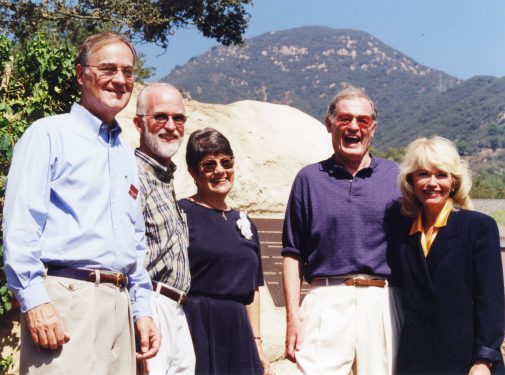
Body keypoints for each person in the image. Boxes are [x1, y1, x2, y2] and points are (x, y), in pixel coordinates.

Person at [2, 32, 160, 374]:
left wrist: (141, 309)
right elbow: (21, 225)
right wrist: (35, 301)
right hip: (68, 301)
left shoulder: (124, 155)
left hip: (120, 306)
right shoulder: (48, 135)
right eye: (108, 69)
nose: (120, 80)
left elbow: (135, 244)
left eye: (128, 72)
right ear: (80, 74)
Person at [282, 85, 403, 375]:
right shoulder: (308, 179)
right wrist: (293, 317)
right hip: (326, 300)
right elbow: (292, 253)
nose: (353, 127)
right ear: (329, 124)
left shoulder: (397, 177)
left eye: (362, 121)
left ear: (373, 128)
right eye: (344, 118)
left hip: (382, 300)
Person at [395, 136, 505, 375]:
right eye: (423, 174)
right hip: (417, 362)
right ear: (411, 181)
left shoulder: (478, 227)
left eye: (441, 175)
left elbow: (491, 300)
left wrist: (484, 359)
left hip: (467, 361)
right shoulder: (402, 231)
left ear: (454, 182)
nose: (431, 183)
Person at [178, 128, 271, 375]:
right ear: (193, 172)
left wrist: (257, 344)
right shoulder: (181, 214)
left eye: (226, 162)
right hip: (196, 325)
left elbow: (253, 291)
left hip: (239, 329)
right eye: (209, 164)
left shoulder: (245, 222)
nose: (220, 170)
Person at [133, 83, 195, 374]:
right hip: (150, 305)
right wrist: (139, 313)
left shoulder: (165, 179)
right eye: (160, 117)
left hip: (177, 309)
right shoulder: (132, 174)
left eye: (178, 118)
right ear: (138, 123)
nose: (171, 126)